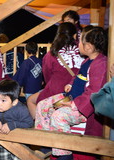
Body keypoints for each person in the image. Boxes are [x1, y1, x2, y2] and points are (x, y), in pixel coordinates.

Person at [35, 26, 107, 160]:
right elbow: (78, 76)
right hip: (71, 97)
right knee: (42, 106)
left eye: (80, 41)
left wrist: (75, 105)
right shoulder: (87, 61)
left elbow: (94, 92)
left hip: (83, 107)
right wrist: (70, 84)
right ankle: (46, 144)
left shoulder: (101, 64)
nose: (77, 43)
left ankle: (64, 156)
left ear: (89, 47)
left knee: (58, 116)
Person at [27, 22, 84, 119]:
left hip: (56, 93)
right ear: (75, 36)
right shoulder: (83, 52)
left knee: (30, 100)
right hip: (78, 93)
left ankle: (40, 125)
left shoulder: (51, 54)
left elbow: (47, 76)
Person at [0, 79, 34, 160]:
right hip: (4, 138)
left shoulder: (21, 110)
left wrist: (13, 124)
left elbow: (29, 123)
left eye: (3, 100)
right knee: (3, 158)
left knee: (20, 157)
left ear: (14, 102)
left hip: (20, 139)